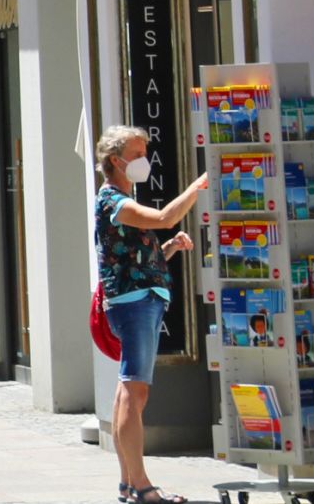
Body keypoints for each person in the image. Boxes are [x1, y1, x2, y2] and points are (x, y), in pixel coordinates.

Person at [94, 123, 208, 504]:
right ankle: (141, 485)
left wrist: (169, 248)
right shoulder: (114, 201)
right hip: (135, 304)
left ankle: (128, 483)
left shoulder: (120, 201)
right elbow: (164, 217)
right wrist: (198, 186)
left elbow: (137, 258)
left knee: (128, 390)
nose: (145, 159)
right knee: (134, 391)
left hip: (139, 300)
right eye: (138, 153)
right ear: (116, 160)